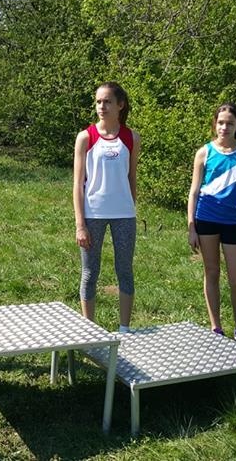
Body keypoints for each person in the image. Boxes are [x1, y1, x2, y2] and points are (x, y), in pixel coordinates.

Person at [187, 103, 236, 348]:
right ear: (214, 124)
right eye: (220, 122)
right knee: (212, 273)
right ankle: (215, 327)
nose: (224, 127)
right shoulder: (204, 152)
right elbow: (194, 192)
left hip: (233, 223)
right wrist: (191, 227)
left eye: (230, 123)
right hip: (206, 219)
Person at [73, 82, 140, 333]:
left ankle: (125, 329)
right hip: (93, 213)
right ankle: (90, 331)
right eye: (99, 101)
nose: (102, 106)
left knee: (125, 271)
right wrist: (80, 224)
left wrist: (130, 207)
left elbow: (132, 177)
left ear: (120, 105)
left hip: (124, 215)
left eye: (107, 101)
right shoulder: (86, 137)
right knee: (90, 273)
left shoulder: (131, 137)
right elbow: (77, 183)